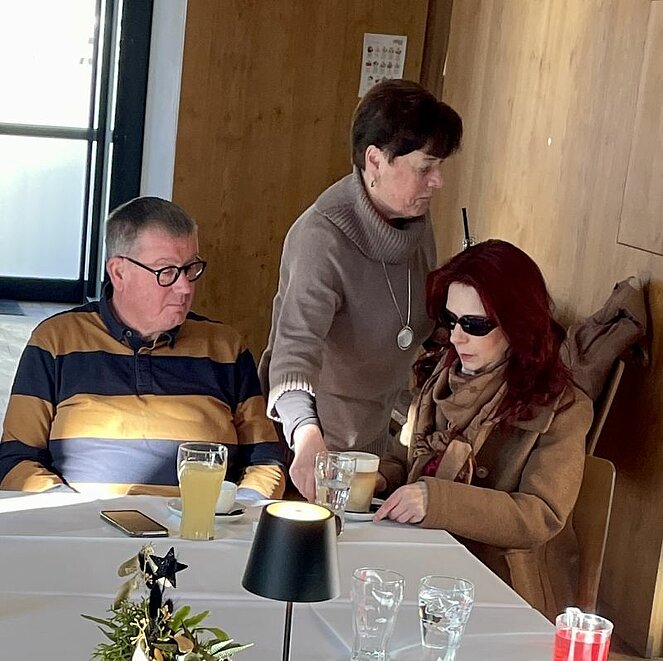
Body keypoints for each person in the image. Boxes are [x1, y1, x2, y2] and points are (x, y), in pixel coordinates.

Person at [0, 197, 287, 499]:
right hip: (80, 522)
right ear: (119, 272)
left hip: (200, 523)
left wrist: (237, 512)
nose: (185, 287)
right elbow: (15, 459)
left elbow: (265, 461)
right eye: (167, 271)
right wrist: (70, 509)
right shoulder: (56, 341)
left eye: (190, 268)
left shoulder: (225, 347)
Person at [258, 79, 463, 500]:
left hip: (377, 439)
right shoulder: (320, 238)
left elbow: (416, 322)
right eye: (425, 167)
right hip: (312, 444)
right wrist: (306, 435)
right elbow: (292, 355)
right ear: (375, 160)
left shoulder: (414, 223)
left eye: (439, 166)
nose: (438, 181)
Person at [374, 239, 593, 620]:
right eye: (450, 320)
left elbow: (540, 516)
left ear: (516, 324)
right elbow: (402, 457)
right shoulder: (439, 378)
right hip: (422, 562)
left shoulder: (562, 407)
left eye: (475, 325)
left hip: (502, 587)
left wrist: (436, 501)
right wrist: (374, 478)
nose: (456, 338)